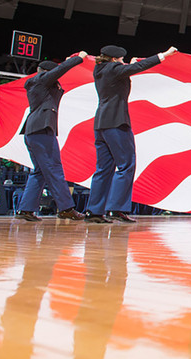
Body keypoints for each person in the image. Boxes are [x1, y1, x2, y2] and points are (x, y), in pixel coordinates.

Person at [86, 44, 177, 224]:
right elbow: (138, 68)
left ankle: (94, 211)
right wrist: (163, 55)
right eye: (121, 59)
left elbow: (125, 70)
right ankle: (117, 208)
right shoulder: (114, 68)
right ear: (114, 59)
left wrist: (126, 65)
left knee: (103, 169)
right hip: (117, 122)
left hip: (101, 123)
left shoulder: (100, 69)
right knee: (126, 165)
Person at [17, 53, 89, 221]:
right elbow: (62, 69)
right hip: (42, 130)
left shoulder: (38, 86)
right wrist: (79, 58)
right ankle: (66, 208)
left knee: (39, 172)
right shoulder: (41, 79)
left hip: (33, 131)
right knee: (54, 168)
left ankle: (26, 209)